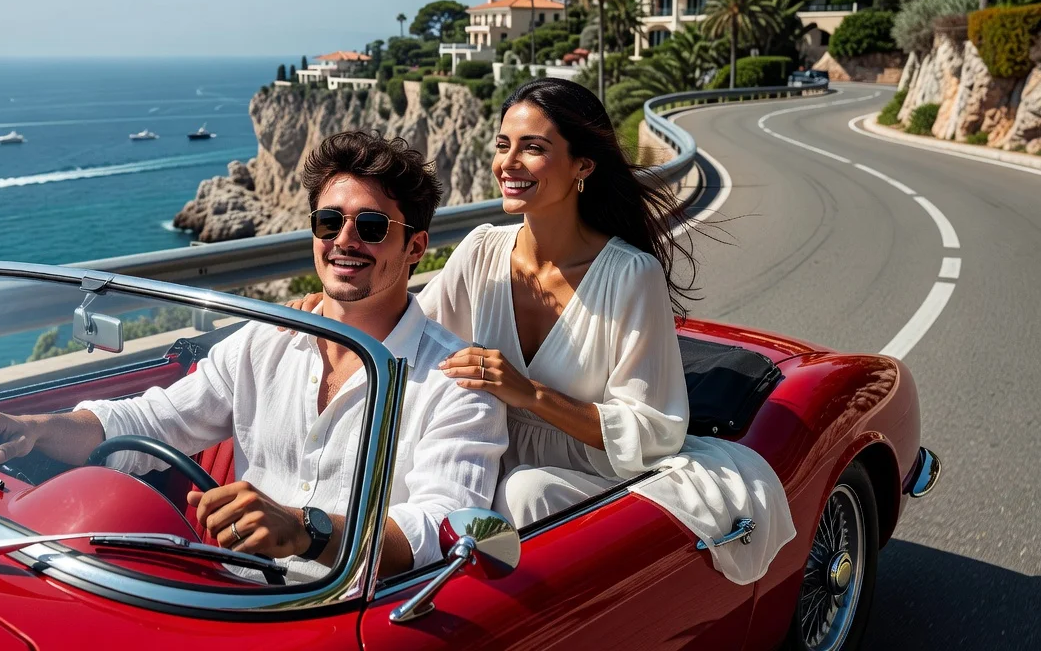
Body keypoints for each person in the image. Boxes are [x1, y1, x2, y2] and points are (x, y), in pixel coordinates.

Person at [295, 78, 793, 584]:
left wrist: (529, 393)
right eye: (502, 145)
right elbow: (411, 330)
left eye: (533, 147)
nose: (508, 163)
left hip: (594, 479)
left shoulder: (630, 274)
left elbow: (652, 433)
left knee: (523, 492)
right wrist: (332, 306)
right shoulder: (481, 250)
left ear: (583, 166)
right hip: (482, 461)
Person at [0, 131, 508, 581]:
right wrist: (34, 426)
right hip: (232, 596)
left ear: (414, 247)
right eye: (328, 221)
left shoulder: (458, 379)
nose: (344, 239)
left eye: (370, 226)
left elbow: (441, 525)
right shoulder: (264, 340)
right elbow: (153, 420)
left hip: (361, 611)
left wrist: (306, 530)